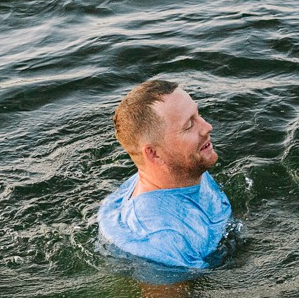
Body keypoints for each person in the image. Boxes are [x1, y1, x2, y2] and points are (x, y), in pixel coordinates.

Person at [98, 79, 233, 272]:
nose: (207, 127)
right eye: (189, 125)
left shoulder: (185, 169)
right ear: (154, 154)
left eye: (198, 115)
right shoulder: (162, 245)